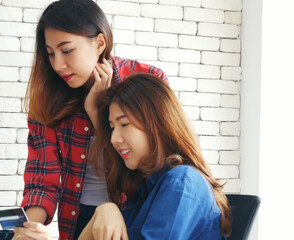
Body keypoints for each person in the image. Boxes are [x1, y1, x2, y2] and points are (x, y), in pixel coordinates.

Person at [12, 0, 168, 239]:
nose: (57, 65)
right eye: (50, 53)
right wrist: (29, 230)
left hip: (131, 215)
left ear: (99, 42)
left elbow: (156, 165)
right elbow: (42, 177)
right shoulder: (47, 98)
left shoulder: (147, 80)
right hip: (77, 218)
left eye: (67, 50)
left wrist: (97, 113)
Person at [78, 73, 232, 239]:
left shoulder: (181, 182)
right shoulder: (145, 191)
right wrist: (104, 210)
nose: (114, 139)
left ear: (157, 123)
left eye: (124, 124)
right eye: (112, 127)